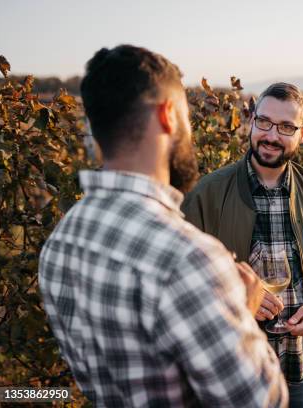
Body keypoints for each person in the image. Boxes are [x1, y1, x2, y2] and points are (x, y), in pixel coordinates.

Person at [38, 45, 287, 407]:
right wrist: (243, 314)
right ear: (169, 115)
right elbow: (263, 401)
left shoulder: (62, 241)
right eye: (186, 116)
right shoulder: (191, 260)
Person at [181, 82, 303, 407]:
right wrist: (236, 296)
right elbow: (178, 278)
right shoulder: (207, 193)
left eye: (286, 127)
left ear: (302, 134)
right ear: (251, 121)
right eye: (264, 121)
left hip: (299, 369)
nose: (271, 135)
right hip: (231, 373)